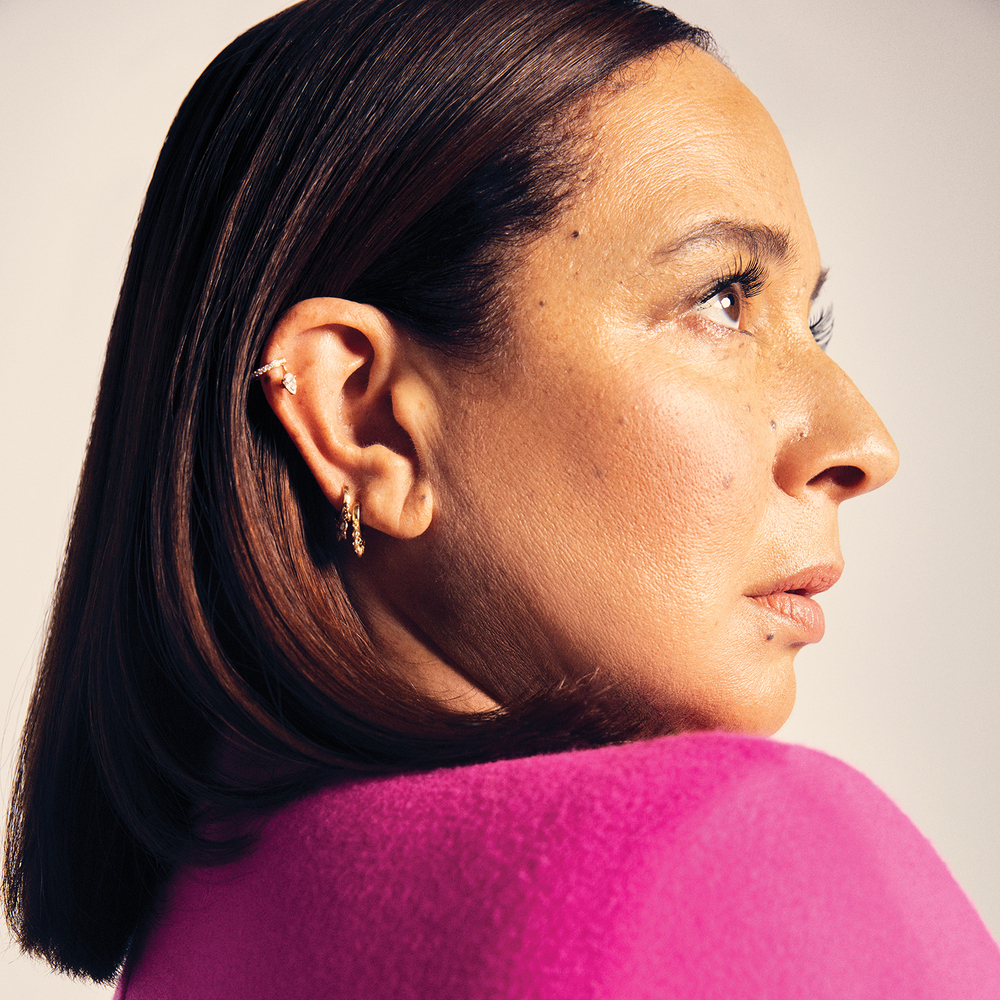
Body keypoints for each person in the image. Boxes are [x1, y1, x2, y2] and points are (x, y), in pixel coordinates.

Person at [4, 0, 999, 996]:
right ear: (365, 418)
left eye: (812, 323)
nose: (864, 444)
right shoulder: (733, 861)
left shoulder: (192, 938)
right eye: (721, 299)